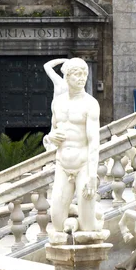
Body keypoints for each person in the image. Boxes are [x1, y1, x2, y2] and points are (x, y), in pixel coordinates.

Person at [49, 57, 100, 233]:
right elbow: (51, 134)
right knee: (56, 221)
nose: (81, 78)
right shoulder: (57, 102)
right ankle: (73, 221)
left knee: (88, 227)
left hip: (83, 164)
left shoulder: (90, 103)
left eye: (84, 74)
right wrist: (51, 137)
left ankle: (92, 219)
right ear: (67, 77)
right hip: (62, 164)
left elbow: (94, 141)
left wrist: (93, 175)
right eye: (77, 74)